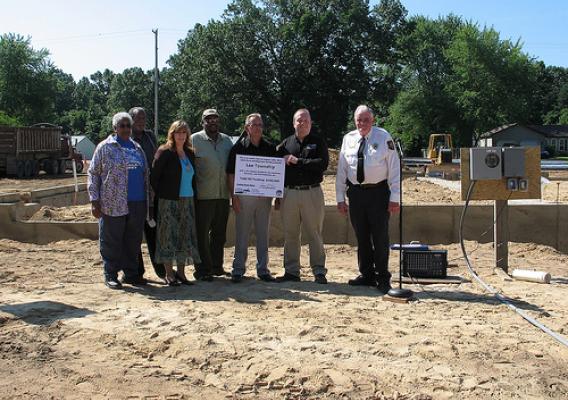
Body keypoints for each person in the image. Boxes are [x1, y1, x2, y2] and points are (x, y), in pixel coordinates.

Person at [335, 105, 401, 294]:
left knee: (380, 237)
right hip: (356, 193)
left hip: (378, 193)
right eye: (358, 120)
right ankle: (366, 274)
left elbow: (394, 168)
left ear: (372, 120)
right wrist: (340, 198)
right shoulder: (348, 139)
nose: (362, 123)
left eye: (365, 119)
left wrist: (394, 197)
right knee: (362, 236)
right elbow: (342, 170)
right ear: (354, 120)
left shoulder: (383, 137)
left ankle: (382, 277)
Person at [88, 112, 149, 289]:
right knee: (112, 240)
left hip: (137, 201)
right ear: (115, 128)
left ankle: (131, 273)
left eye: (128, 126)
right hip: (112, 202)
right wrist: (94, 200)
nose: (125, 129)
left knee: (133, 240)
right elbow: (93, 174)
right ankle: (111, 274)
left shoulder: (137, 148)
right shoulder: (105, 147)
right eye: (121, 126)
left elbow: (145, 174)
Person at [276, 108, 329, 284]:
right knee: (291, 233)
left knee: (314, 233)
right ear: (293, 123)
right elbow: (274, 167)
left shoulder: (318, 142)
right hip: (289, 193)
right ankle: (291, 271)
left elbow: (322, 164)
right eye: (299, 120)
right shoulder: (285, 144)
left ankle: (319, 271)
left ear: (311, 123)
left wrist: (298, 161)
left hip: (312, 192)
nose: (302, 123)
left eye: (305, 120)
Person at [226, 113, 277, 283]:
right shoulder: (238, 148)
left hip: (264, 198)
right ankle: (238, 269)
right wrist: (234, 197)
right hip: (244, 197)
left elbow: (276, 174)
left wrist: (276, 195)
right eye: (254, 125)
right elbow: (231, 174)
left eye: (260, 125)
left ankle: (263, 270)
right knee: (242, 234)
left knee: (263, 234)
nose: (257, 128)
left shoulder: (270, 147)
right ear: (247, 127)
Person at [151, 120, 201, 286]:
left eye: (184, 132)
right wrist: (160, 197)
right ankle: (169, 274)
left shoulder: (190, 152)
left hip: (187, 200)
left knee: (184, 237)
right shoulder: (164, 151)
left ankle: (181, 273)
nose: (181, 135)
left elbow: (194, 179)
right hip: (168, 201)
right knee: (167, 237)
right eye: (177, 132)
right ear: (172, 134)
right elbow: (154, 177)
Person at [190, 109, 234, 281]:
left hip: (223, 195)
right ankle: (202, 270)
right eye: (208, 119)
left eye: (215, 118)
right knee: (201, 235)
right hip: (203, 196)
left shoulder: (227, 141)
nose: (212, 122)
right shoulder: (194, 139)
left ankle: (217, 266)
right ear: (203, 122)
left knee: (219, 234)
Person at [128, 106, 166, 282]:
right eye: (138, 119)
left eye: (144, 118)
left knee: (154, 231)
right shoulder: (125, 138)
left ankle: (161, 270)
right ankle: (137, 271)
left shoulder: (150, 137)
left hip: (152, 192)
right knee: (134, 233)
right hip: (133, 193)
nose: (142, 122)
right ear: (131, 120)